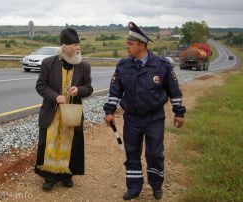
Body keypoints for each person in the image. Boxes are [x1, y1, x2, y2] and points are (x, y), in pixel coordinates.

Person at [103, 22, 186, 200]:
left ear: (142, 45)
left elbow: (174, 91)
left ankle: (156, 186)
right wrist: (109, 111)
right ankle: (134, 188)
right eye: (127, 42)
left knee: (155, 153)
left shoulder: (162, 65)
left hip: (154, 118)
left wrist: (179, 112)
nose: (127, 46)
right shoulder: (123, 66)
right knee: (132, 153)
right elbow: (114, 92)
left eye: (130, 43)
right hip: (132, 118)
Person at [35, 28, 93, 191]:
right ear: (64, 46)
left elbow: (89, 88)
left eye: (78, 44)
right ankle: (50, 176)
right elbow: (40, 86)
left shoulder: (84, 66)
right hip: (52, 113)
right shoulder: (48, 63)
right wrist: (55, 96)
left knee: (71, 144)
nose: (78, 48)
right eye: (74, 45)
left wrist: (78, 90)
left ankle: (67, 175)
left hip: (71, 114)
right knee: (50, 144)